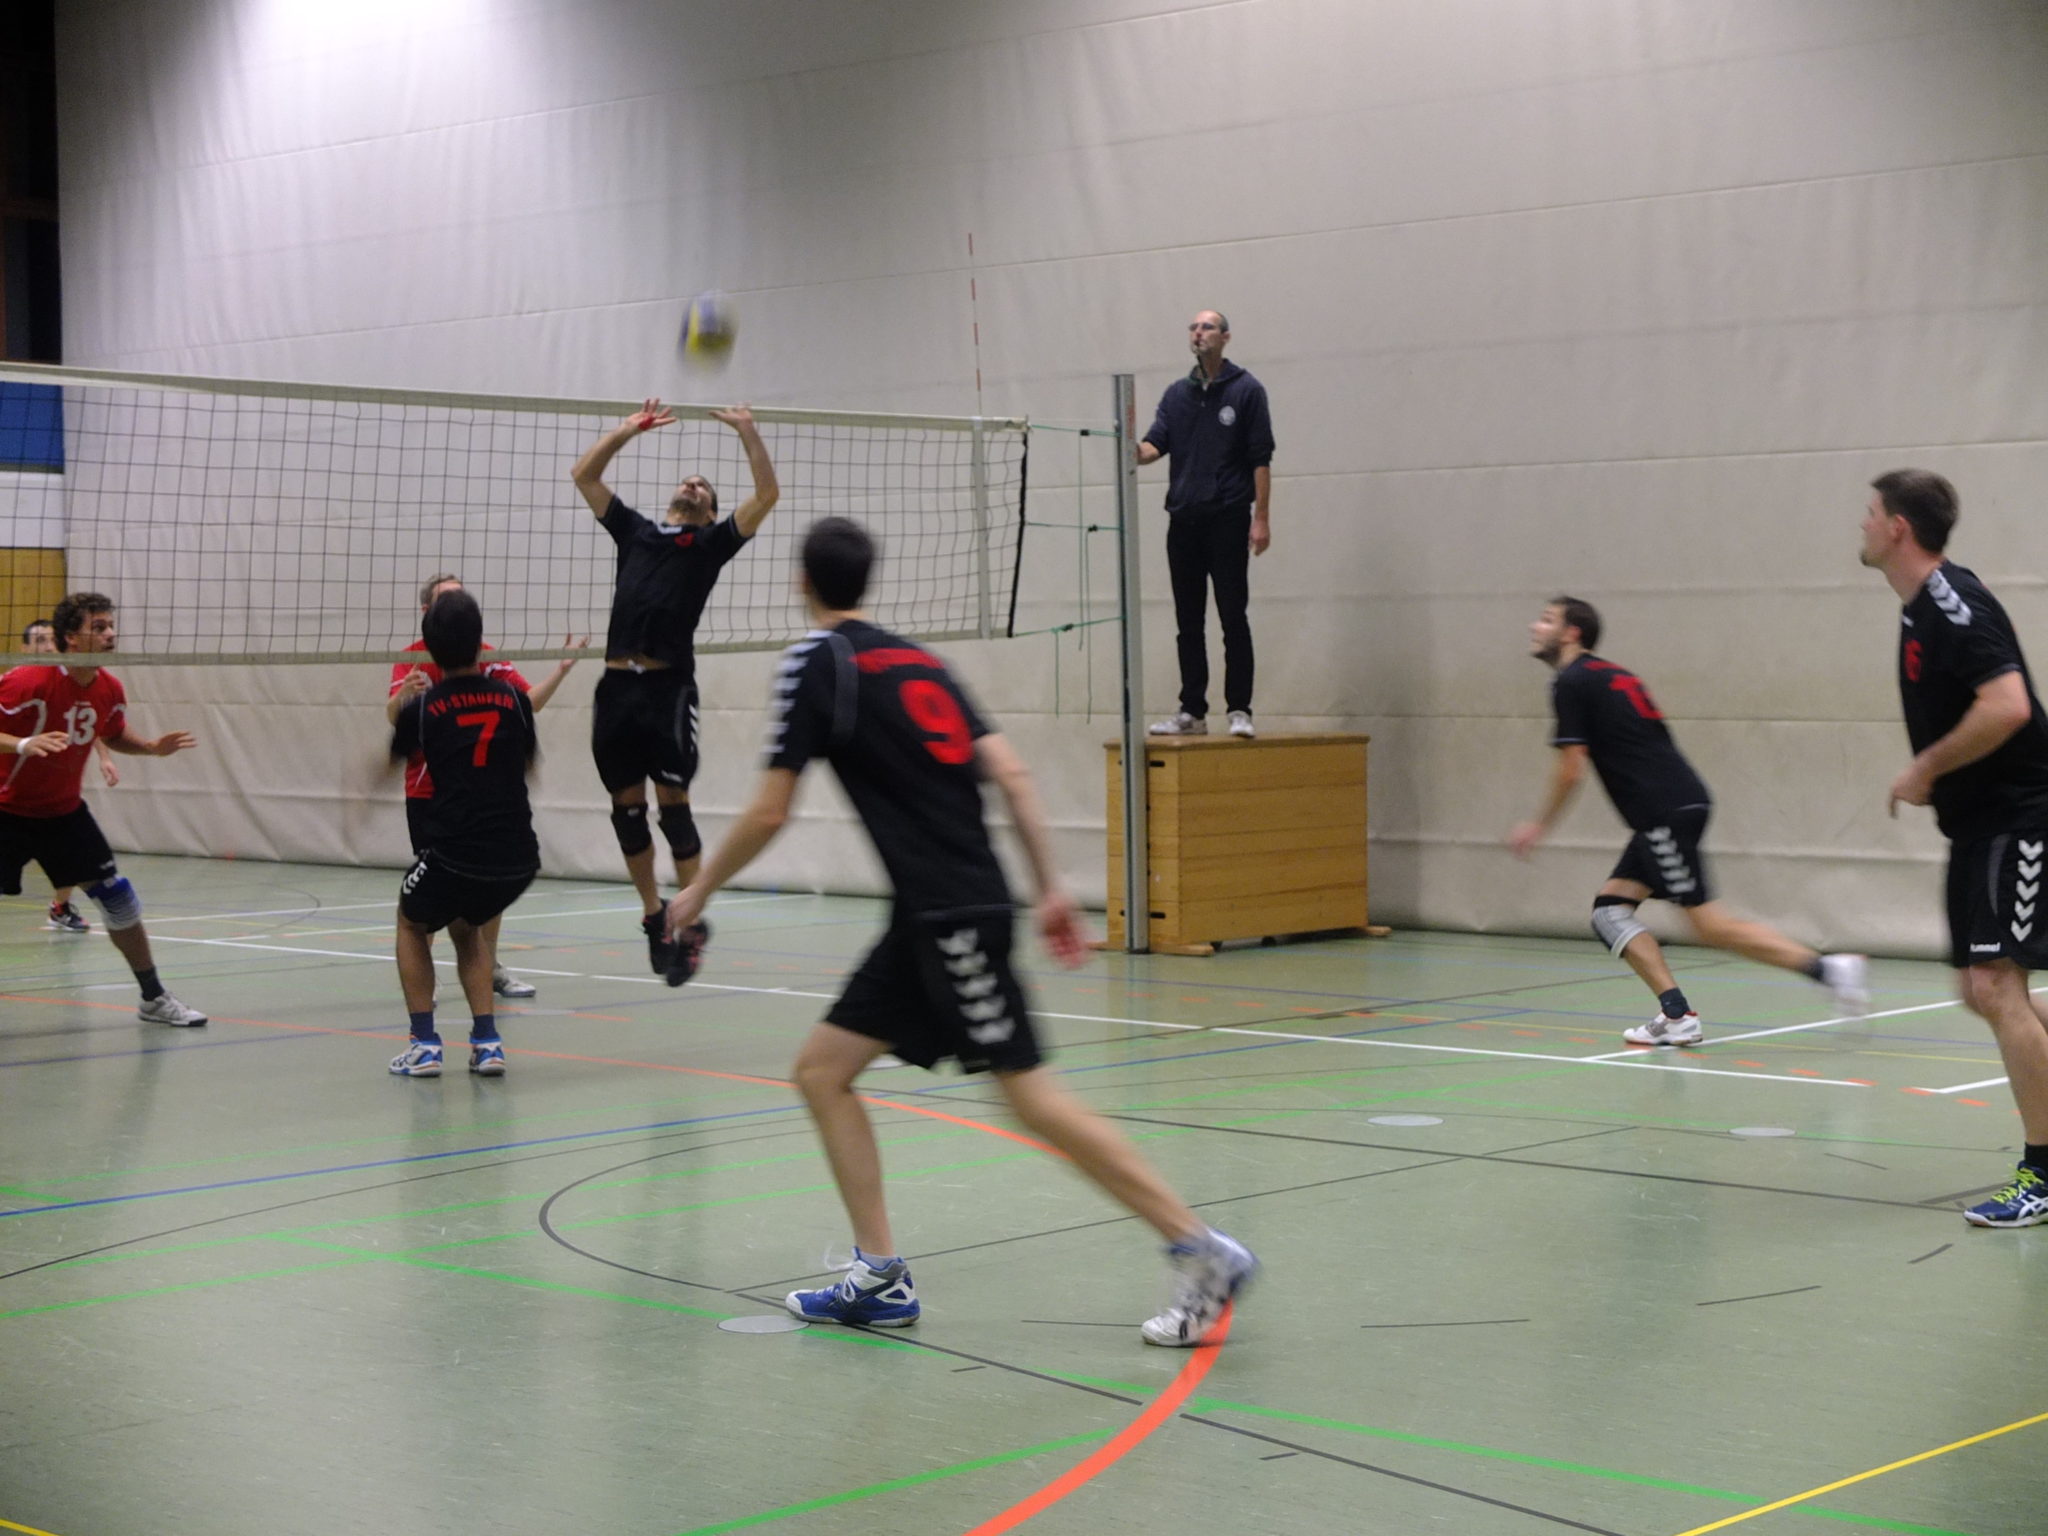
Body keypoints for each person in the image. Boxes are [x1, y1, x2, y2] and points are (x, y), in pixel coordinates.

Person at [666, 517, 1258, 1347]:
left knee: (1031, 1098)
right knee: (822, 1072)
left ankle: (1200, 1248)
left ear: (803, 582)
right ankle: (879, 1276)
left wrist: (698, 889)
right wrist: (1048, 888)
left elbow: (771, 809)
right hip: (930, 914)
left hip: (952, 917)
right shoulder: (921, 661)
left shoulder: (816, 662)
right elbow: (1011, 771)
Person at [1509, 596, 1867, 1046]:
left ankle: (1828, 970)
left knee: (1709, 925)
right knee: (1610, 913)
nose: (1535, 627)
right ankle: (1676, 1015)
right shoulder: (1609, 674)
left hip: (1663, 811)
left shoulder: (1572, 681)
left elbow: (1571, 767)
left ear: (1572, 632)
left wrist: (1539, 825)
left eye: (1547, 620)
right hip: (1670, 807)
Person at [1861, 470, 2048, 1228]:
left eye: (1870, 513)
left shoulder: (1951, 603)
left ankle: (2042, 1175)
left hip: (2020, 819)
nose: (1862, 525)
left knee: (1998, 988)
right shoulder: (1919, 610)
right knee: (1981, 991)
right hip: (1977, 827)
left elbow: (2008, 705)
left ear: (1898, 527)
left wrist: (1927, 767)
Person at [571, 399, 779, 972]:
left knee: (674, 808)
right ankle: (652, 915)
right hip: (616, 689)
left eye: (703, 487)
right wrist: (625, 431)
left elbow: (766, 495)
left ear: (709, 513)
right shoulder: (636, 532)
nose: (692, 485)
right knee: (626, 810)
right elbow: (584, 476)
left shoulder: (709, 545)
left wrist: (748, 432)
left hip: (668, 691)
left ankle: (689, 921)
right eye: (687, 481)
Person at [0, 593, 206, 1025]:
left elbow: (111, 734)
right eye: (99, 627)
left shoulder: (108, 687)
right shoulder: (29, 681)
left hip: (63, 814)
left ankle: (153, 997)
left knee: (118, 900)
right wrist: (22, 744)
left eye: (111, 625)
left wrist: (150, 747)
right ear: (71, 637)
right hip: (7, 811)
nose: (111, 634)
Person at [387, 572, 582, 1000]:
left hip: (478, 791)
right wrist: (404, 695)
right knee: (428, 896)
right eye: (448, 598)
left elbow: (526, 702)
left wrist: (561, 672)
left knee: (482, 892)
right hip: (427, 792)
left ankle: (490, 967)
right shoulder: (412, 658)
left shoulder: (487, 657)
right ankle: (425, 978)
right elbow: (394, 718)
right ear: (428, 612)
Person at [386, 589, 541, 1078]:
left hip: (456, 851)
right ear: (481, 643)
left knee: (411, 922)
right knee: (467, 927)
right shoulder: (515, 700)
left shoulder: (422, 709)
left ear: (429, 652)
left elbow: (388, 764)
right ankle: (487, 1043)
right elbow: (530, 767)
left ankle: (424, 1045)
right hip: (519, 857)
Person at [1137, 310, 1275, 740]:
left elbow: (1260, 458)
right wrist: (1129, 447)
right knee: (1188, 620)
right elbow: (1153, 446)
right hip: (1183, 520)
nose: (1199, 333)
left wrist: (1261, 519)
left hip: (1228, 517)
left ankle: (1239, 709)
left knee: (1232, 615)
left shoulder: (1246, 390)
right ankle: (1192, 710)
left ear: (1225, 337)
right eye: (1194, 328)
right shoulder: (1177, 395)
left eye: (1208, 327)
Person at [13, 618, 118, 933]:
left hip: (54, 796)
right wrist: (22, 744)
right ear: (24, 648)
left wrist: (104, 758)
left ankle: (60, 906)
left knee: (71, 850)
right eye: (39, 641)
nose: (47, 646)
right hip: (11, 797)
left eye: (50, 639)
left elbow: (89, 724)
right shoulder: (18, 683)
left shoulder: (78, 683)